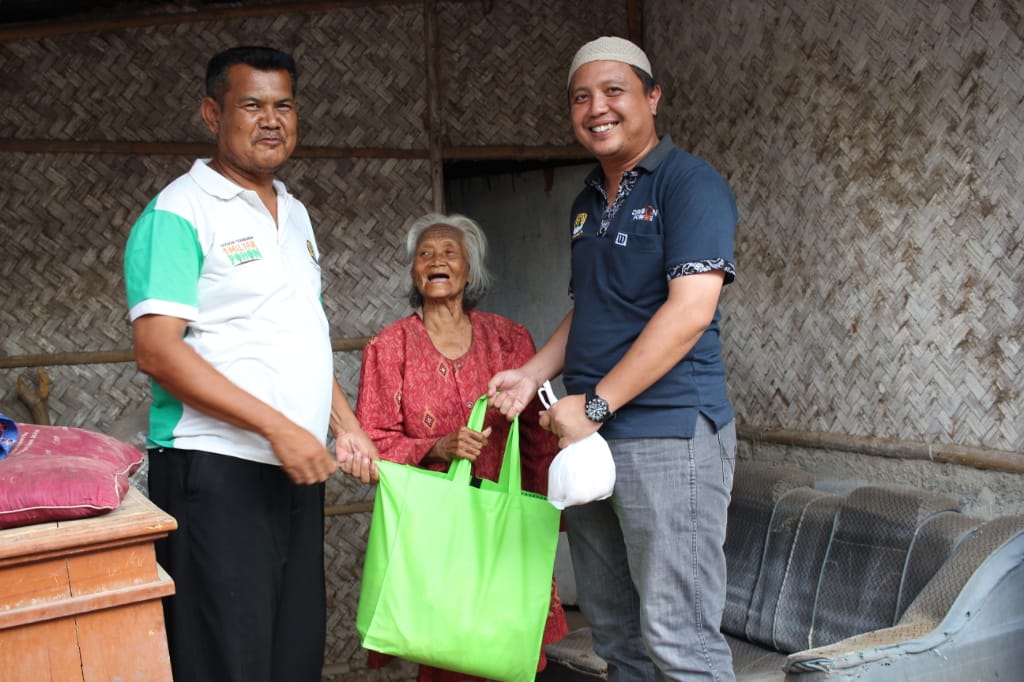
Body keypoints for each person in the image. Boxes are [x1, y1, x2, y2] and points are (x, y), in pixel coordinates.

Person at [488, 36, 739, 682]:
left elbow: (690, 311)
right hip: (592, 442)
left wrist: (595, 404)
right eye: (581, 97)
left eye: (614, 91)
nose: (596, 107)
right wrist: (532, 373)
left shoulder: (690, 184)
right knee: (618, 635)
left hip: (669, 430)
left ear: (652, 98)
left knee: (678, 638)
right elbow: (592, 310)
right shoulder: (585, 203)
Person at [123, 45, 377, 682]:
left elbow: (301, 336)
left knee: (292, 654)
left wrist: (341, 423)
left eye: (284, 105)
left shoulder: (294, 213)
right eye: (252, 105)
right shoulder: (181, 211)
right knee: (229, 661)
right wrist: (278, 426)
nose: (272, 120)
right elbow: (158, 350)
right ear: (212, 113)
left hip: (291, 469)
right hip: (212, 470)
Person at [350, 212, 568, 682]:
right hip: (435, 535)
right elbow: (372, 441)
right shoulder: (390, 349)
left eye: (450, 252)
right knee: (446, 647)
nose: (436, 260)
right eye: (425, 253)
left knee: (511, 644)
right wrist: (436, 446)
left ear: (470, 270)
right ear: (413, 272)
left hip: (503, 527)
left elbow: (536, 435)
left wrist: (552, 508)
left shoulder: (510, 340)